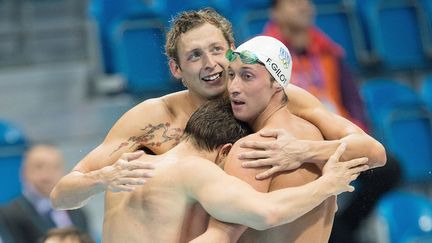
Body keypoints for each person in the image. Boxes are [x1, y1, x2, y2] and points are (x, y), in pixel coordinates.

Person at [50, 8, 385, 241]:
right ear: (176, 70)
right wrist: (102, 178)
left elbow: (375, 152)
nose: (211, 64)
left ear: (232, 52)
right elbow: (61, 194)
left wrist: (304, 150)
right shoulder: (151, 119)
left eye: (216, 50)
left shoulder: (276, 94)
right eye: (195, 56)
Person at [102, 99, 369, 242]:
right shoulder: (193, 170)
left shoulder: (130, 164)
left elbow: (64, 195)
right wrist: (327, 185)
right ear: (226, 151)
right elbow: (267, 213)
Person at [262, 0, 367, 130]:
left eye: (307, 2)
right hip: (294, 136)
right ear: (275, 13)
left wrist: (357, 132)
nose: (303, 7)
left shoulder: (330, 52)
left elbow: (353, 101)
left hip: (340, 132)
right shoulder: (264, 57)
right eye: (294, 3)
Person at [0, 145, 89, 243]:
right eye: (39, 166)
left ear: (64, 171)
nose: (47, 174)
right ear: (24, 171)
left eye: (54, 167)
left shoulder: (78, 212)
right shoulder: (8, 214)